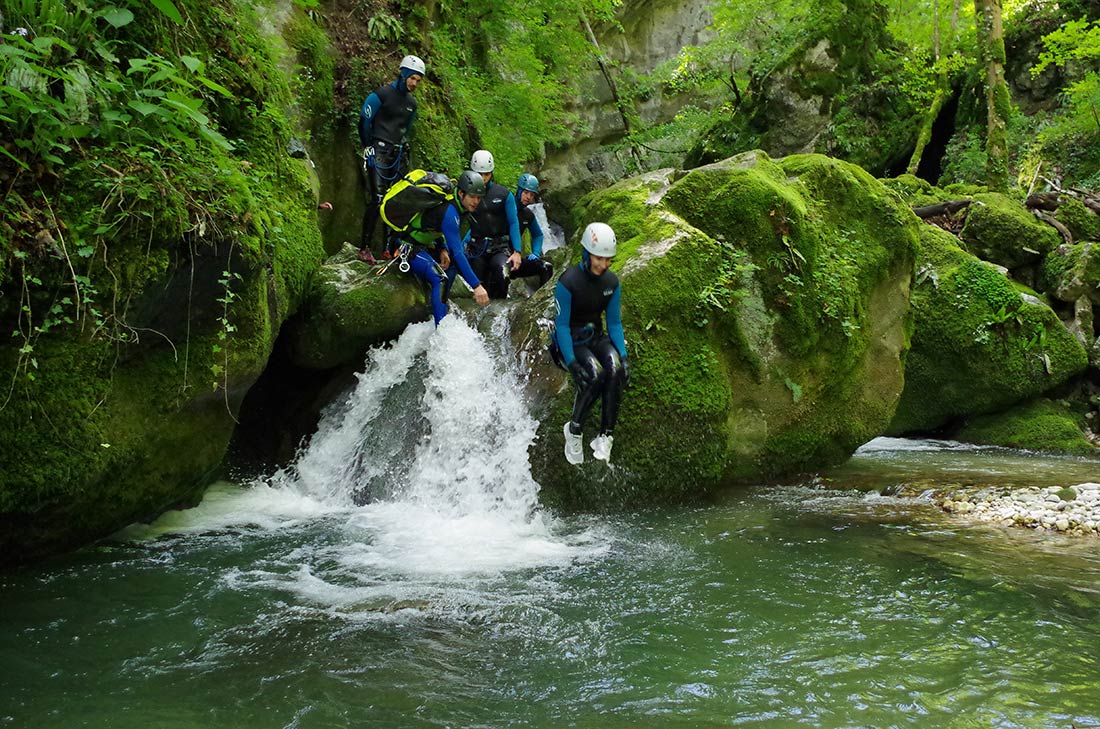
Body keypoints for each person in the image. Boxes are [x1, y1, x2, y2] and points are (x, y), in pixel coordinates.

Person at [552, 222, 630, 465]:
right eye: (599, 258)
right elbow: (561, 325)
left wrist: (625, 356)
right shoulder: (569, 282)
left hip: (594, 335)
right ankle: (574, 429)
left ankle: (605, 436)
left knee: (615, 368)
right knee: (593, 374)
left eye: (608, 260)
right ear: (587, 253)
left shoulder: (611, 283)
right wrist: (573, 363)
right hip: (570, 339)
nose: (603, 265)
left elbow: (614, 324)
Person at [390, 170, 490, 325]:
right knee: (440, 278)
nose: (476, 201)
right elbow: (457, 252)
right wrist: (476, 285)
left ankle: (438, 305)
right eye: (472, 196)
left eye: (478, 197)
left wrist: (443, 248)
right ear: (462, 193)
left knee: (450, 268)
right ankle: (441, 330)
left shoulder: (457, 206)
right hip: (405, 246)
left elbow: (438, 229)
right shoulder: (450, 212)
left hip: (424, 245)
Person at [358, 55, 425, 263]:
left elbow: (407, 130)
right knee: (378, 200)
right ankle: (365, 247)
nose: (414, 84)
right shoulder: (381, 94)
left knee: (394, 201)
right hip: (378, 152)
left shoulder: (412, 104)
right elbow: (364, 121)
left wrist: (404, 148)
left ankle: (388, 248)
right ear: (403, 74)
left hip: (398, 155)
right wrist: (367, 146)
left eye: (418, 81)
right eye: (412, 78)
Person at [512, 173, 554, 291]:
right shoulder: (505, 207)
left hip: (516, 261)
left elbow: (538, 235)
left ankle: (539, 303)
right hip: (499, 257)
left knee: (546, 267)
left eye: (531, 194)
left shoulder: (527, 214)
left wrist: (535, 253)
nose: (528, 197)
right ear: (519, 191)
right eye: (525, 193)